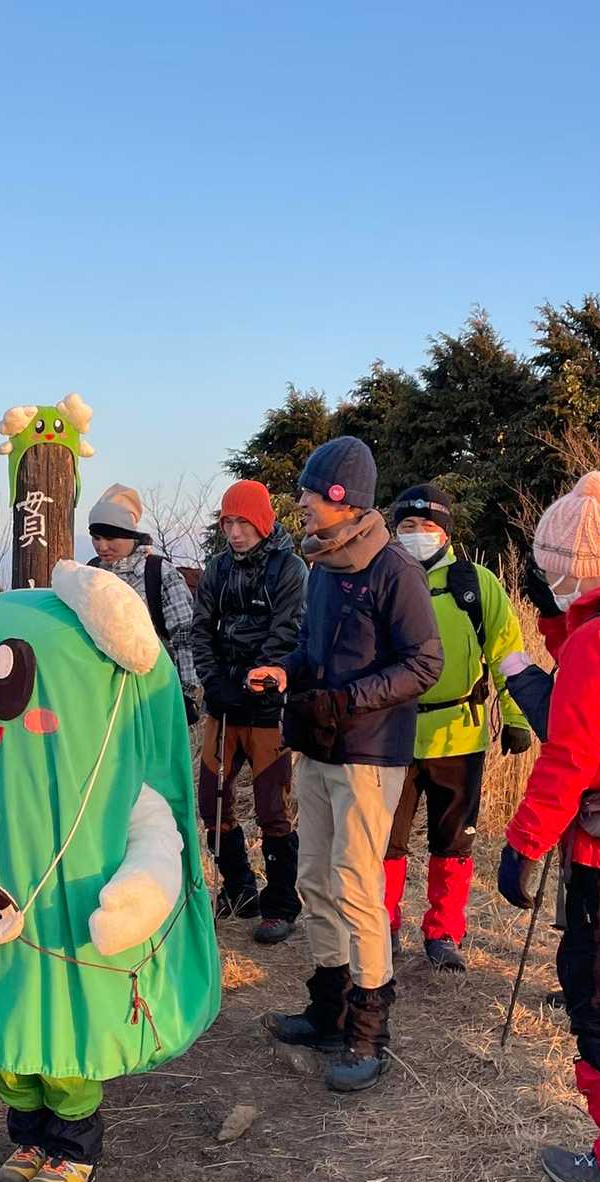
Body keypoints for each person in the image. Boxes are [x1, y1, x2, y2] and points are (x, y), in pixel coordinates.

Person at [0, 559, 220, 1182]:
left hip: (68, 922)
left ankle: (73, 1146)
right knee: (3, 1030)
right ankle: (27, 1136)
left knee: (64, 1036)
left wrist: (136, 898)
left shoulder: (111, 783)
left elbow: (156, 838)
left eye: (6, 686)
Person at [252, 437, 443, 1092]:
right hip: (318, 745)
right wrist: (286, 671)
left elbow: (425, 662)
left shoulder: (394, 571)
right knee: (314, 879)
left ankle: (368, 1032)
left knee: (357, 887)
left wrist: (350, 699)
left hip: (369, 753)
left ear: (343, 498)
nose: (301, 502)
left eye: (310, 491)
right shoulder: (324, 567)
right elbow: (311, 648)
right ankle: (328, 1011)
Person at [498, 470, 600, 1182]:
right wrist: (555, 624)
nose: (548, 577)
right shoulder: (596, 631)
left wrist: (523, 844)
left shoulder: (599, 640)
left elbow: (570, 755)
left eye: (551, 566)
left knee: (599, 1002)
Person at [383, 485, 531, 972]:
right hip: (392, 732)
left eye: (428, 526)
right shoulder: (382, 578)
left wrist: (516, 717)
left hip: (459, 734)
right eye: (407, 526)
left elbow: (508, 653)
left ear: (446, 533)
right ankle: (382, 926)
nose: (417, 534)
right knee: (385, 840)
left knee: (454, 841)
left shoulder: (475, 583)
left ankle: (443, 933)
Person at [190, 479, 306, 943]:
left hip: (267, 705)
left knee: (272, 809)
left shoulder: (289, 568)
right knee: (212, 801)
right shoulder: (217, 568)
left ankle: (281, 904)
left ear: (263, 522)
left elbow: (288, 632)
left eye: (244, 523)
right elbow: (201, 629)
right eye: (228, 523)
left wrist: (252, 682)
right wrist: (214, 682)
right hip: (223, 706)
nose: (235, 533)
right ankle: (239, 888)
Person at [86, 484, 199, 723]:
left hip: (151, 692)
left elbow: (184, 635)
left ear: (130, 535)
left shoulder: (158, 572)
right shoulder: (90, 573)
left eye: (110, 537)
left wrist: (186, 693)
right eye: (96, 538)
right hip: (97, 696)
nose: (102, 546)